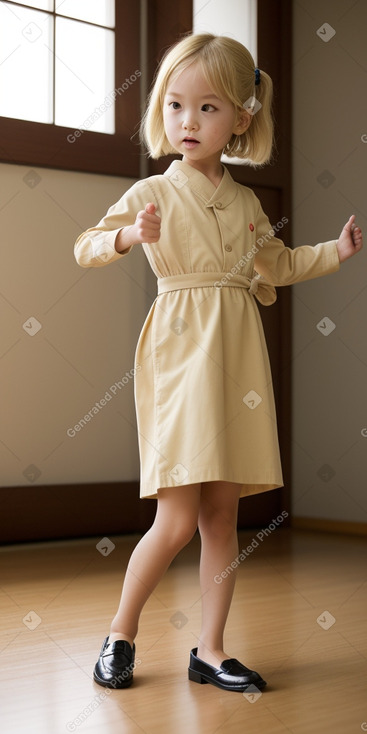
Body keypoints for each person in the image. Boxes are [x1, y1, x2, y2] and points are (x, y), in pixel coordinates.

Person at [74, 33, 363, 692]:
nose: (187, 122)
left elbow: (278, 264)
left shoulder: (244, 202)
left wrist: (334, 253)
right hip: (179, 352)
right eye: (175, 105)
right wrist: (126, 235)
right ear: (161, 111)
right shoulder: (154, 190)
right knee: (175, 518)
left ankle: (209, 649)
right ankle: (119, 634)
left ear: (241, 116)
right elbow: (85, 245)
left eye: (207, 108)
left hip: (235, 354)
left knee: (223, 516)